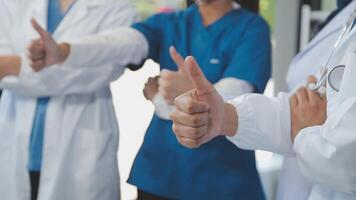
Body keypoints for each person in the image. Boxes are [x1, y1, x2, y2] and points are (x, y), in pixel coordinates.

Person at [27, 0, 272, 199]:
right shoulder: (171, 23)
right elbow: (121, 43)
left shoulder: (252, 28)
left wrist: (162, 100)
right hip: (159, 175)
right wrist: (64, 51)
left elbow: (233, 97)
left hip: (221, 179)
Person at [170, 2, 356, 200]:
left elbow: (343, 159)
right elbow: (304, 110)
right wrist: (225, 115)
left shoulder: (252, 27)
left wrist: (306, 131)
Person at [0, 0, 144, 200]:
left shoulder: (118, 6)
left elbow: (99, 73)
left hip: (80, 145)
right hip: (14, 135)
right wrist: (70, 63)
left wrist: (13, 66)